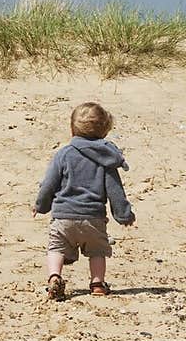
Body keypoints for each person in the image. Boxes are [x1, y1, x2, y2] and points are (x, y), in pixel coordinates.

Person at [32, 101, 135, 301]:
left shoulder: (64, 154)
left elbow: (49, 184)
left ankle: (54, 277)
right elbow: (115, 191)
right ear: (105, 131)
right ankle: (97, 283)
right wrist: (124, 214)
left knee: (56, 248)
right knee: (97, 252)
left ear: (72, 128)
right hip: (94, 219)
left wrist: (41, 205)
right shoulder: (106, 159)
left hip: (64, 217)